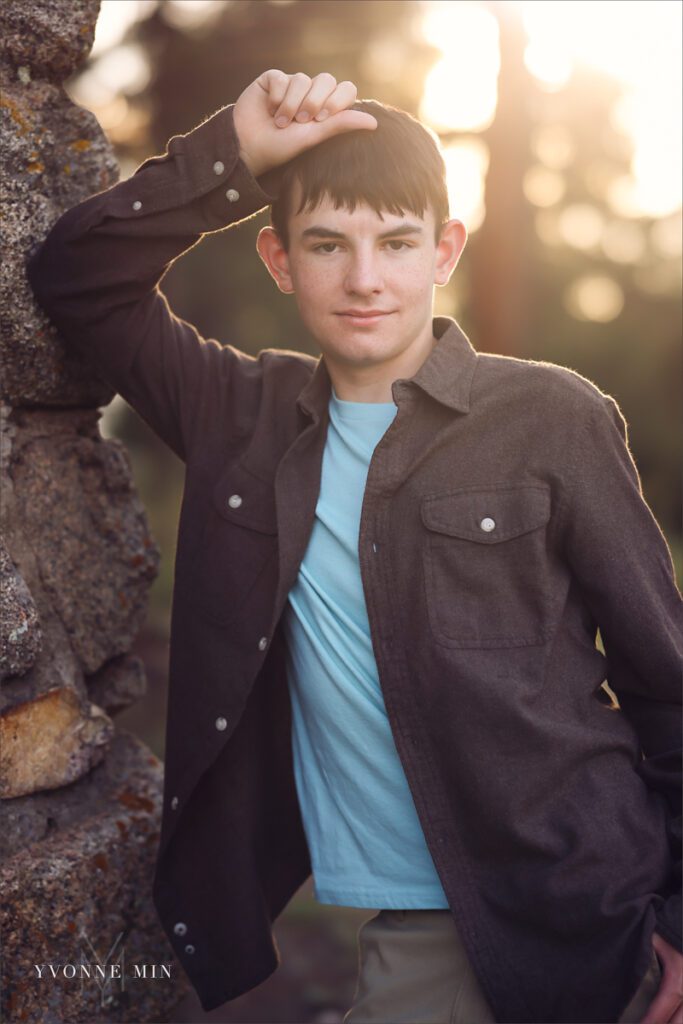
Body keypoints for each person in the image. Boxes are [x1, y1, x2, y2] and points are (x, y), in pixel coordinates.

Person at [26, 69, 682, 1024]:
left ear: (443, 251)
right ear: (279, 258)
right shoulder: (236, 414)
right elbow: (75, 275)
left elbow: (667, 683)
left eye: (396, 243)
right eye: (327, 244)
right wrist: (236, 150)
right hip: (412, 932)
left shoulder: (551, 418)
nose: (365, 279)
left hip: (594, 915)